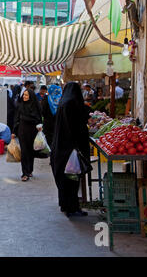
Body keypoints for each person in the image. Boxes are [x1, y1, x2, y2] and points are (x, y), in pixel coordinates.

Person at [51, 82, 90, 217]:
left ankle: (65, 205)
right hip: (71, 149)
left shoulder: (63, 102)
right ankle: (72, 207)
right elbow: (78, 128)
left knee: (64, 178)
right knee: (72, 179)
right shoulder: (73, 104)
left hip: (60, 149)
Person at [12, 88, 43, 181]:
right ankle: (24, 173)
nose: (24, 97)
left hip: (33, 131)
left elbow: (39, 118)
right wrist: (14, 132)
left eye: (27, 95)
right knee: (24, 152)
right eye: (24, 95)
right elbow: (16, 119)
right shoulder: (20, 106)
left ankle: (30, 170)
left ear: (31, 96)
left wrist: (40, 126)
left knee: (30, 151)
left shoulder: (35, 106)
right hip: (22, 130)